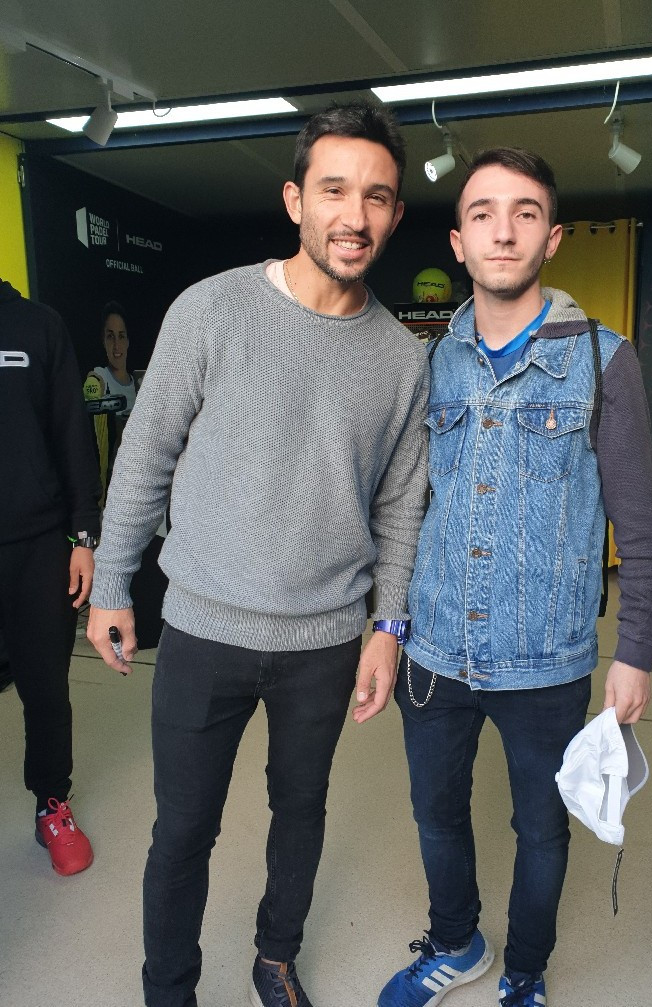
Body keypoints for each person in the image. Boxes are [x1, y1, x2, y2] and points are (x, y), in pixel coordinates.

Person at [86, 102, 429, 1007]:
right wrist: (111, 581)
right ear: (294, 200)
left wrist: (387, 627)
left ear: (395, 214)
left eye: (377, 196)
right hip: (204, 629)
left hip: (324, 641)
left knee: (301, 815)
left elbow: (401, 507)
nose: (354, 214)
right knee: (183, 830)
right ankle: (170, 990)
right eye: (334, 190)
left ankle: (275, 958)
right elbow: (146, 455)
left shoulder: (402, 360)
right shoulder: (211, 310)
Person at [378, 149, 652, 1007]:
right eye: (482, 213)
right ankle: (457, 940)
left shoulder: (604, 360)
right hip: (434, 651)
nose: (502, 230)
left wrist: (636, 649)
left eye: (524, 212)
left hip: (546, 658)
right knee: (436, 813)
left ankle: (525, 971)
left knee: (541, 828)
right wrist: (388, 624)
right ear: (458, 241)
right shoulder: (430, 364)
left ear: (552, 236)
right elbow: (403, 509)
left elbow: (642, 525)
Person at [0, 278, 101, 875]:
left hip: (38, 544)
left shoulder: (38, 326)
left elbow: (71, 433)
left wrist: (83, 536)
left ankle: (51, 804)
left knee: (44, 686)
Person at [83, 301, 136, 500]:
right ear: (103, 340)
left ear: (128, 341)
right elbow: (92, 385)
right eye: (110, 336)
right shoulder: (100, 376)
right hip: (113, 483)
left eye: (121, 336)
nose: (116, 345)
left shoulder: (140, 384)